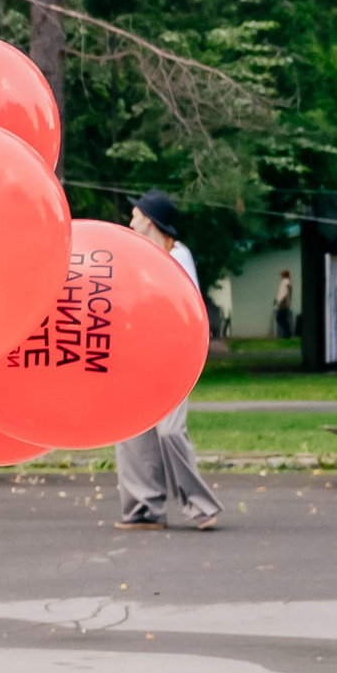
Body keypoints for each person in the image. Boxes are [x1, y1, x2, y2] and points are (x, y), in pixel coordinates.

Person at [115, 192, 221, 532]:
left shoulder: (178, 256)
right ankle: (144, 510)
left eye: (134, 215)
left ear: (149, 219)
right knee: (131, 429)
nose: (130, 222)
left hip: (174, 358)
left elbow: (179, 305)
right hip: (138, 356)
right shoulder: (136, 254)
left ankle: (201, 508)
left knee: (170, 431)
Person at [273, 268, 296, 340]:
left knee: (279, 318)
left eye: (281, 274)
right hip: (286, 303)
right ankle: (287, 334)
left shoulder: (284, 282)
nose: (280, 276)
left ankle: (287, 334)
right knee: (284, 319)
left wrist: (278, 301)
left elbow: (284, 293)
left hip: (283, 304)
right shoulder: (288, 282)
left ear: (283, 275)